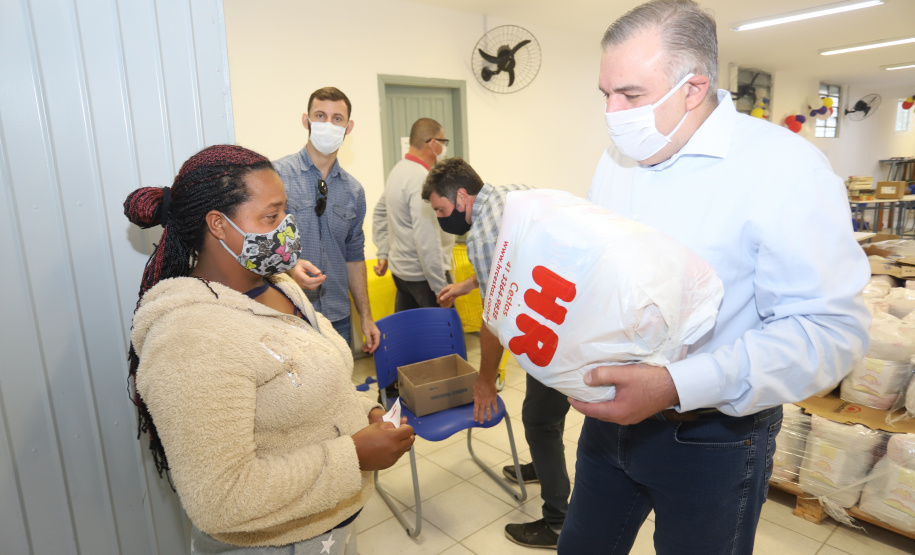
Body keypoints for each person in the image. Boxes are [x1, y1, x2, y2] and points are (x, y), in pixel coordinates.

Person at [559, 2, 870, 553]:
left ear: (693, 88)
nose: (612, 112)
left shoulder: (785, 170)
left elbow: (828, 333)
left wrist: (677, 385)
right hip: (608, 428)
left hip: (714, 439)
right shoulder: (618, 158)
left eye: (630, 95)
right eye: (604, 94)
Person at [123, 145, 415, 554]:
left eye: (285, 213)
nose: (287, 228)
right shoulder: (189, 338)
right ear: (218, 226)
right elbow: (221, 499)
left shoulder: (280, 286)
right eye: (271, 216)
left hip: (332, 527)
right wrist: (353, 455)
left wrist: (361, 411)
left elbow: (312, 373)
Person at [423, 158, 570, 549]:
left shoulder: (481, 236)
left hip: (558, 329)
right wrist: (468, 284)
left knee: (539, 419)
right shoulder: (512, 194)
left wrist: (485, 383)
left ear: (461, 196)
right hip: (563, 307)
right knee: (545, 416)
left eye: (440, 210)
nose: (441, 218)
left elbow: (494, 322)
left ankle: (558, 522)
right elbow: (508, 264)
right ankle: (540, 467)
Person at [273, 86, 380, 353]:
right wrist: (289, 266)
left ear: (349, 126)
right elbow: (258, 241)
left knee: (338, 391)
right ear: (305, 120)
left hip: (337, 318)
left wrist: (365, 317)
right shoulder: (275, 176)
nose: (328, 125)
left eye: (337, 118)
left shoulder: (354, 191)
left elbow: (354, 257)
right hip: (287, 313)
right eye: (320, 116)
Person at [372, 118, 455, 311]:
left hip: (402, 273)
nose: (444, 148)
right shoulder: (420, 179)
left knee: (411, 334)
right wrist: (440, 288)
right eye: (443, 142)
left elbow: (379, 212)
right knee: (445, 337)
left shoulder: (398, 170)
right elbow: (426, 238)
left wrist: (383, 251)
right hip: (424, 277)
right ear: (433, 144)